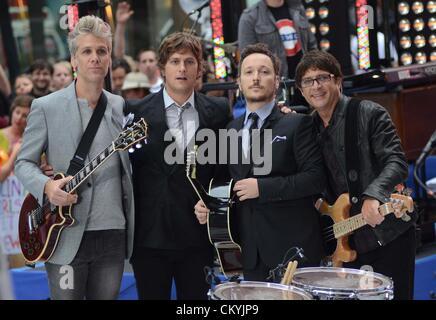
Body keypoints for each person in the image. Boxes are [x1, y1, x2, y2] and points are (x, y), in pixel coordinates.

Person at [15, 15, 135, 300]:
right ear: (74, 61)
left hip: (112, 231)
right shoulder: (46, 107)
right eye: (87, 51)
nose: (95, 58)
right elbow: (23, 163)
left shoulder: (120, 106)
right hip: (63, 234)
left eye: (101, 51)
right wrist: (47, 187)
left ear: (108, 59)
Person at [195, 43, 326, 281]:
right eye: (249, 72)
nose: (256, 78)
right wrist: (210, 205)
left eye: (264, 72)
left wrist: (262, 188)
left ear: (277, 81)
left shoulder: (298, 123)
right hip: (249, 253)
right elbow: (228, 185)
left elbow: (315, 178)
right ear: (239, 82)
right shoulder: (230, 129)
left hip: (293, 251)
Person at [295, 50, 416, 300]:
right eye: (308, 81)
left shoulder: (369, 113)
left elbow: (396, 161)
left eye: (322, 78)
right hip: (342, 242)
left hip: (386, 235)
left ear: (338, 80)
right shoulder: (306, 128)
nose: (316, 86)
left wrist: (374, 194)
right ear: (300, 90)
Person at [127, 32, 231, 300]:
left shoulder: (219, 110)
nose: (182, 68)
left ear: (199, 68)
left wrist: (214, 199)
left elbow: (228, 169)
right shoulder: (135, 111)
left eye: (189, 61)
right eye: (175, 61)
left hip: (199, 236)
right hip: (149, 237)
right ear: (162, 68)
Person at [238, 0, 316, 107]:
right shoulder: (250, 17)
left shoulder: (298, 8)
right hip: (276, 93)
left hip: (305, 87)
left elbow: (312, 47)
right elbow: (247, 59)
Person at [0, 95, 32, 181]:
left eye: (25, 115)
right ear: (12, 112)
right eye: (17, 112)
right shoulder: (0, 135)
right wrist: (14, 154)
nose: (19, 118)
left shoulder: (33, 140)